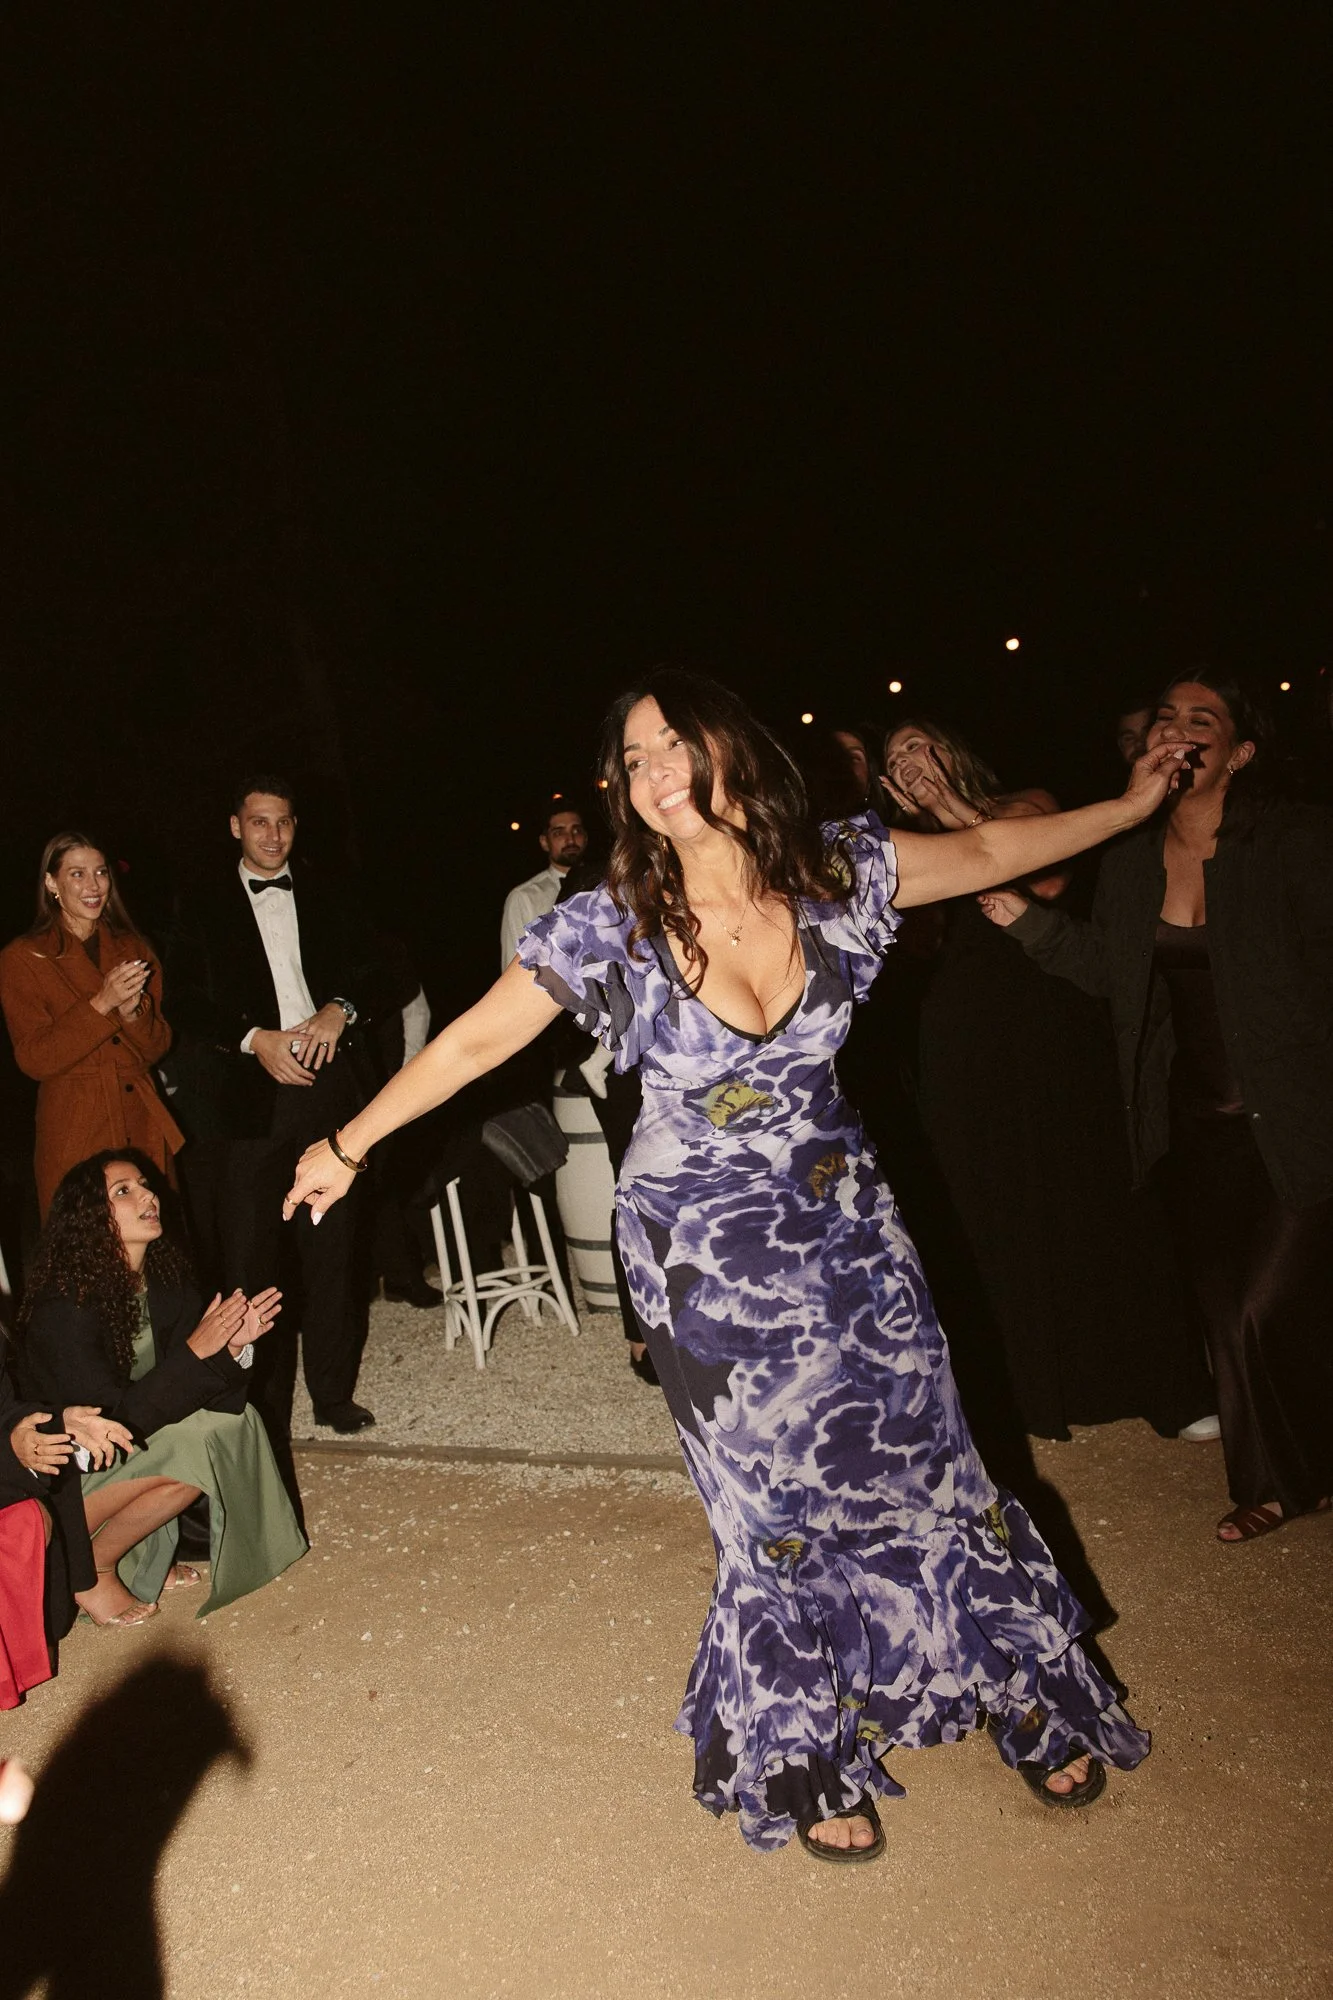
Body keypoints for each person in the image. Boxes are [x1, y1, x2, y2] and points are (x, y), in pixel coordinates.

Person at [285, 671, 1190, 1862]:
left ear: (729, 749)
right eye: (633, 755)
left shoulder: (836, 870)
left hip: (847, 1218)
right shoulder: (608, 918)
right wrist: (347, 1143)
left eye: (671, 742)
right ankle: (801, 1740)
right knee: (771, 1498)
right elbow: (475, 1036)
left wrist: (1126, 810)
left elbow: (984, 845)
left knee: (929, 1453)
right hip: (704, 1246)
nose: (651, 769)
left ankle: (1011, 1684)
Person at [982, 674, 1333, 1544]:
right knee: (1223, 1314)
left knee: (1264, 1308)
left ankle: (1299, 1470)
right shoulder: (1132, 859)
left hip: (1294, 1115)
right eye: (1164, 720)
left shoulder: (1292, 841)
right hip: (1191, 1126)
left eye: (1201, 720)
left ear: (1239, 753)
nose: (1177, 732)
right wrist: (1025, 918)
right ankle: (1273, 1482)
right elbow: (1113, 975)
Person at [880, 717, 1212, 1445]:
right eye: (892, 757)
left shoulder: (1024, 803)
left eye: (916, 744)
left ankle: (1167, 1385)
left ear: (952, 746)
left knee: (1097, 1185)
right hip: (963, 1027)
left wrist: (946, 807)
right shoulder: (900, 844)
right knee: (988, 1203)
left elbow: (1045, 875)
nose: (906, 761)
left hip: (1051, 1006)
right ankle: (1023, 1394)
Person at [164, 776, 379, 1481]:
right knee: (251, 1258)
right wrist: (254, 1038)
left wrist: (339, 1008)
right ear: (235, 826)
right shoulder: (197, 902)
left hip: (328, 1092)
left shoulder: (330, 889)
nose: (273, 836)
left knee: (332, 1249)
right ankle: (256, 1402)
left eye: (283, 823)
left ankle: (333, 1392)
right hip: (247, 1102)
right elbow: (183, 1000)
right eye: (259, 823)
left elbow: (383, 966)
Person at [17, 1151, 305, 1629]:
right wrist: (197, 1354)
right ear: (88, 1218)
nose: (148, 1195)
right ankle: (92, 1566)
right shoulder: (63, 1305)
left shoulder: (165, 1281)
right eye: (123, 1191)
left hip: (123, 1453)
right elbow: (112, 1425)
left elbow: (197, 1392)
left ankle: (137, 1551)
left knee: (233, 1424)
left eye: (145, 1185)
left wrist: (230, 1349)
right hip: (63, 1478)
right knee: (197, 1441)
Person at [0, 834, 183, 1218]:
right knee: (87, 1252)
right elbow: (34, 1058)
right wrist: (102, 1004)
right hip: (76, 1124)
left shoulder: (134, 948)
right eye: (77, 874)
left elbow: (157, 1046)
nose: (93, 886)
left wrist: (134, 1013)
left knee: (154, 1251)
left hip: (141, 1120)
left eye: (100, 873)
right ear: (52, 883)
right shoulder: (24, 957)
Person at [499, 804, 588, 968]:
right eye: (559, 832)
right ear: (544, 842)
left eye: (576, 830)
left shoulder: (602, 887)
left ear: (586, 837)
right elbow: (513, 966)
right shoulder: (523, 896)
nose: (570, 839)